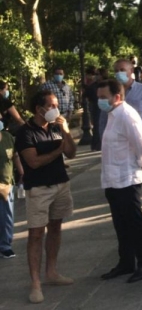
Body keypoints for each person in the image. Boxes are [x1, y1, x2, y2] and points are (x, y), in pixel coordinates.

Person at [15, 90, 78, 304]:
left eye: (55, 105)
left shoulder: (56, 127)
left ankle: (52, 272)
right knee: (35, 234)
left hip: (61, 183)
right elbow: (33, 162)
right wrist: (57, 150)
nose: (55, 109)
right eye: (50, 105)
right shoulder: (26, 132)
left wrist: (66, 132)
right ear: (38, 109)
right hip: (38, 189)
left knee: (55, 227)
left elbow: (71, 153)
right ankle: (35, 283)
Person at [97, 79, 142, 283]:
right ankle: (126, 262)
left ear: (117, 97)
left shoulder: (127, 116)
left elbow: (141, 146)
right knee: (120, 224)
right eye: (99, 97)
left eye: (104, 97)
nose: (100, 101)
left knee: (135, 223)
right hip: (112, 180)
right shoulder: (111, 115)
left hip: (127, 179)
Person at [99, 59, 142, 236]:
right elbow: (104, 120)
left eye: (122, 70)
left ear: (131, 71)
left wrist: (141, 135)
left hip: (141, 145)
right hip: (118, 150)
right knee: (125, 204)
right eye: (116, 70)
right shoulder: (108, 93)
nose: (118, 73)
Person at [1, 114, 24, 259]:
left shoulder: (7, 137)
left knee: (6, 217)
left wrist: (22, 173)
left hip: (6, 184)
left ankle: (5, 246)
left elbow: (15, 155)